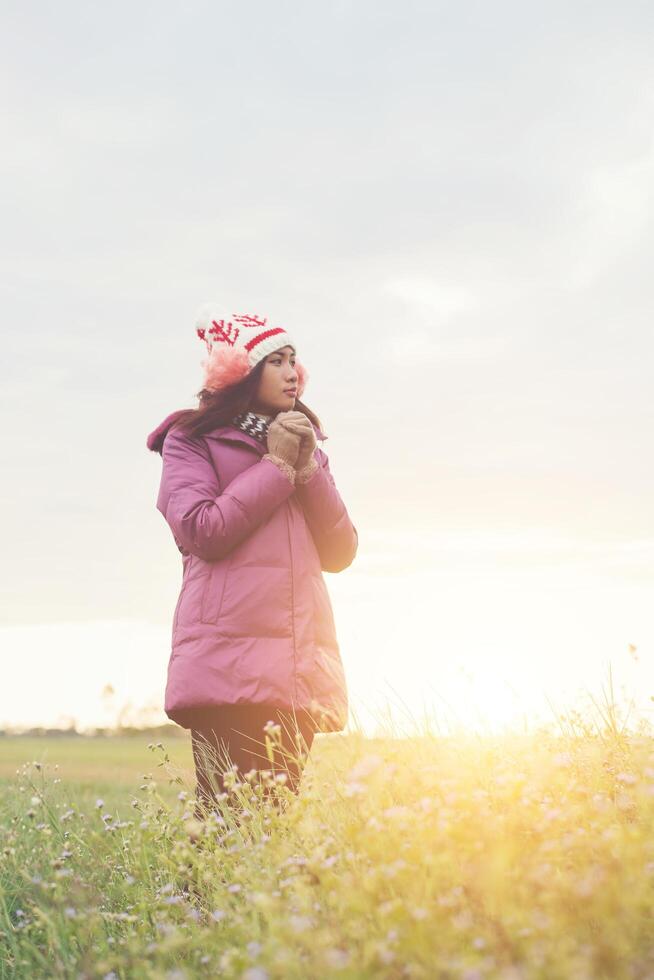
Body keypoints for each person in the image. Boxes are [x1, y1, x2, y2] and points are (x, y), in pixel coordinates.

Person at [146, 303, 358, 821]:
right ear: (242, 372)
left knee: (272, 823)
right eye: (276, 360)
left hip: (295, 665)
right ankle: (197, 907)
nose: (292, 372)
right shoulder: (192, 440)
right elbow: (202, 530)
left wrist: (306, 469)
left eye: (294, 360)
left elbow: (341, 552)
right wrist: (277, 467)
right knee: (224, 822)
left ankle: (249, 906)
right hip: (227, 663)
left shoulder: (304, 443)